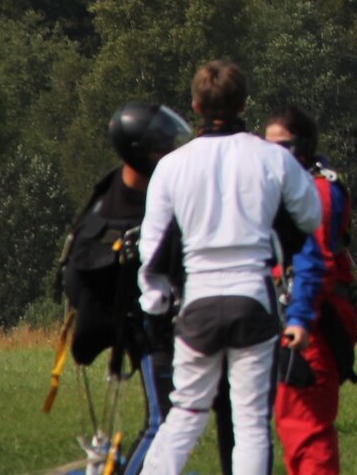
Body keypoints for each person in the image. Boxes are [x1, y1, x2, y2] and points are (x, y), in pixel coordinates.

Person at [138, 60, 322, 475]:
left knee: (184, 414)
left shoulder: (172, 166)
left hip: (198, 302)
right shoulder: (271, 158)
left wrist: (156, 303)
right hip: (253, 298)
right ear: (244, 103)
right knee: (251, 422)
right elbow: (310, 216)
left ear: (195, 104)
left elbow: (152, 248)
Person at [54, 102, 192, 475]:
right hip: (140, 324)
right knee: (164, 422)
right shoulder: (113, 204)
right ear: (140, 154)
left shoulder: (128, 188)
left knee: (168, 419)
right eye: (160, 148)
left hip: (155, 317)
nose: (170, 154)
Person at [265, 105, 357, 475]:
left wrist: (300, 318)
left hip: (313, 324)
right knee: (293, 427)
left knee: (306, 428)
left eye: (282, 147)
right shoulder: (288, 190)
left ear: (303, 147)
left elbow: (314, 262)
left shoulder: (317, 191)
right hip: (295, 317)